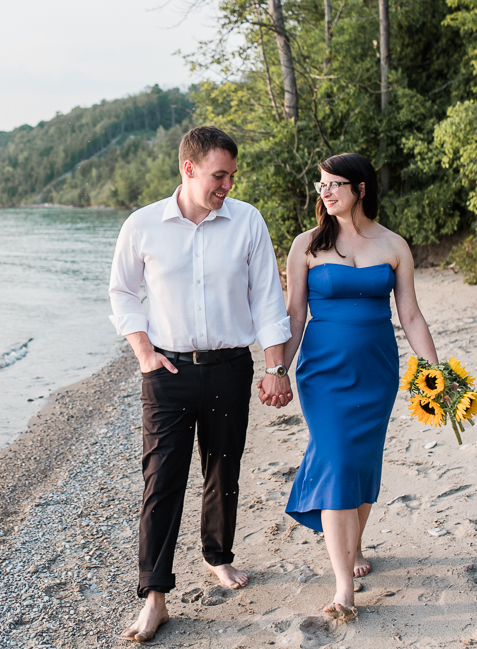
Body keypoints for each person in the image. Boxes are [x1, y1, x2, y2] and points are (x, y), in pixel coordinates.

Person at [108, 125, 293, 642]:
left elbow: (267, 302)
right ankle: (155, 597)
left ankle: (218, 556)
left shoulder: (247, 221)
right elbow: (121, 292)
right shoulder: (143, 225)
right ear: (188, 170)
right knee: (162, 480)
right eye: (219, 175)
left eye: (232, 175)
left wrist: (275, 367)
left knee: (223, 469)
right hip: (166, 370)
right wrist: (143, 352)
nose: (227, 184)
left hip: (230, 366)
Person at [280, 152, 438, 621]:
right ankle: (344, 586)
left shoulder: (393, 245)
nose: (324, 192)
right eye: (321, 184)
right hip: (323, 373)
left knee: (363, 463)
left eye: (334, 184)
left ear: (361, 188)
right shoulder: (305, 244)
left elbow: (410, 314)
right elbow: (293, 315)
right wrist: (277, 370)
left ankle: (355, 541)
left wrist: (436, 372)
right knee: (338, 461)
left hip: (376, 371)